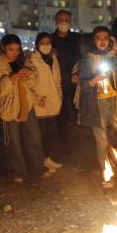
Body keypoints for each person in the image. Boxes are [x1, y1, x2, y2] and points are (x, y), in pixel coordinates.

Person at [77, 26, 117, 188]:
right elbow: (82, 85)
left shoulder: (115, 57)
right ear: (93, 40)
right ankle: (108, 175)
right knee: (102, 142)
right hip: (97, 105)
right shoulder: (86, 61)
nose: (103, 41)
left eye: (106, 38)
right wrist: (93, 80)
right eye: (99, 37)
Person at [0, 34, 48, 184]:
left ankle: (38, 168)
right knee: (13, 142)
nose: (14, 53)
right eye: (11, 50)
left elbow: (32, 81)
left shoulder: (21, 61)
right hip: (8, 109)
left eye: (17, 50)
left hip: (25, 105)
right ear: (3, 48)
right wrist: (12, 78)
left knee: (34, 137)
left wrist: (28, 76)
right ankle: (18, 172)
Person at [28, 32, 64, 174]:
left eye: (48, 42)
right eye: (42, 43)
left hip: (53, 102)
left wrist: (59, 95)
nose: (45, 45)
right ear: (37, 44)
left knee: (50, 134)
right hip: (40, 104)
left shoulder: (53, 59)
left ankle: (48, 159)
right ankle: (41, 163)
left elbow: (57, 79)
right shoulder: (31, 60)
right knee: (40, 135)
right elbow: (28, 83)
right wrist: (37, 98)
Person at [51, 10, 82, 159]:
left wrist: (78, 74)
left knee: (78, 115)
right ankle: (64, 148)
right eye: (61, 19)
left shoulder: (77, 39)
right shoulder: (49, 40)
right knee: (61, 118)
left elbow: (84, 58)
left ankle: (79, 147)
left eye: (67, 19)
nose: (64, 22)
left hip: (75, 84)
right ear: (55, 21)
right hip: (58, 85)